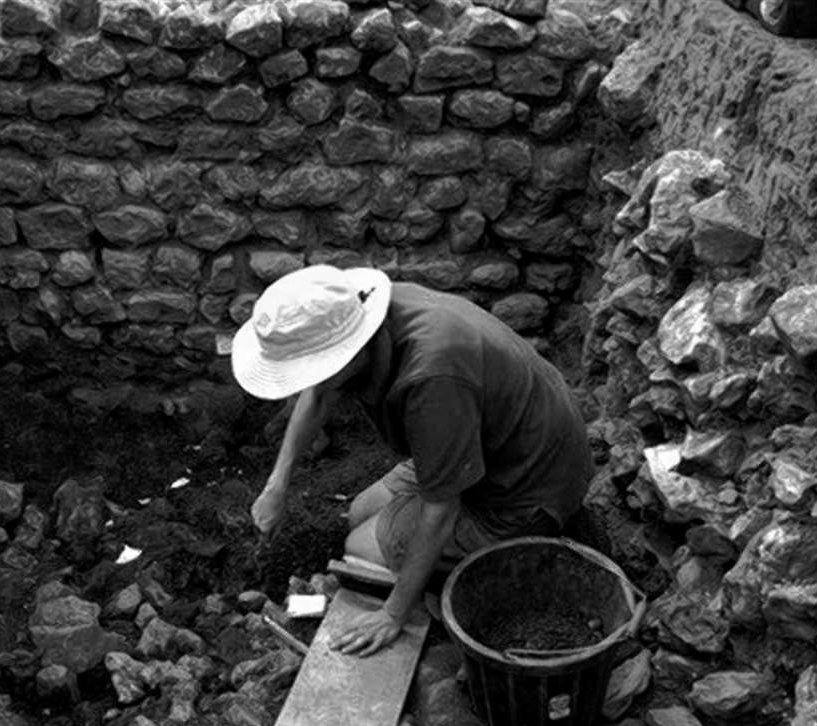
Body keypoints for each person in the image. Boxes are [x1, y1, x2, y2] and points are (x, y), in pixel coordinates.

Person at [231, 264, 592, 657]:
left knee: (359, 549)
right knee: (358, 514)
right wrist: (276, 486)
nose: (306, 381)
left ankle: (522, 555)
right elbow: (318, 394)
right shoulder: (363, 313)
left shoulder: (432, 378)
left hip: (524, 487)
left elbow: (441, 509)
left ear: (346, 353)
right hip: (492, 445)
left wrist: (393, 613)